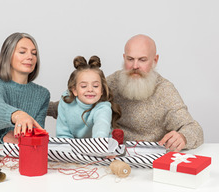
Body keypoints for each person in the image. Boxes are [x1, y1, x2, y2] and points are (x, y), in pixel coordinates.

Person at [48, 34, 203, 152]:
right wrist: (32, 108)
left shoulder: (165, 91)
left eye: (142, 60)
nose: (135, 66)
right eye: (130, 59)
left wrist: (183, 136)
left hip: (147, 162)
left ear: (155, 60)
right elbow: (73, 104)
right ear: (124, 58)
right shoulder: (113, 82)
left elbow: (194, 129)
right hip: (110, 155)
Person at [0, 32, 50, 144]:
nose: (30, 57)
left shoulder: (43, 94)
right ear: (8, 56)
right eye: (22, 52)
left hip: (23, 155)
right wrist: (18, 115)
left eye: (34, 53)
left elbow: (36, 133)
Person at [56, 55, 121, 138]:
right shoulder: (66, 100)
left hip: (100, 146)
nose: (90, 89)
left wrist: (97, 144)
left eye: (96, 86)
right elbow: (63, 133)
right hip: (74, 147)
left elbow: (101, 130)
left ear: (102, 90)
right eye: (83, 86)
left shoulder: (103, 107)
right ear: (74, 90)